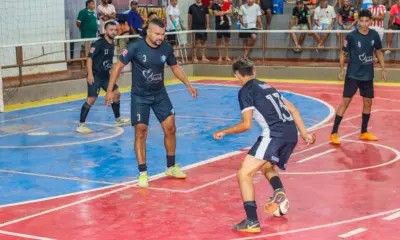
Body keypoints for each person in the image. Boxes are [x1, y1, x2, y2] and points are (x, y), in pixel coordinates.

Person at [213, 57, 316, 233]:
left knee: (244, 174)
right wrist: (305, 133)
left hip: (274, 135)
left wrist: (224, 131)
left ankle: (252, 221)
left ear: (236, 75)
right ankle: (279, 192)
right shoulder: (267, 86)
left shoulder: (245, 91)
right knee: (266, 165)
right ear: (254, 72)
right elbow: (293, 109)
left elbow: (246, 125)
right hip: (291, 133)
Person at [105, 18, 198, 188]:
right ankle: (142, 173)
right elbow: (117, 67)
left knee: (171, 128)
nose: (160, 37)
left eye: (163, 34)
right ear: (148, 32)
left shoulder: (166, 48)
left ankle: (171, 166)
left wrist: (188, 85)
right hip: (140, 96)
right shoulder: (135, 47)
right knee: (141, 132)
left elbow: (175, 67)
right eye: (157, 33)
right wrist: (110, 90)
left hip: (160, 95)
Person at [330, 9, 387, 145]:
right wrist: (342, 69)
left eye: (367, 21)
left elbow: (378, 53)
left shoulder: (374, 35)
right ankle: (333, 133)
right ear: (358, 21)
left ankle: (364, 132)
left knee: (368, 103)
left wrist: (384, 69)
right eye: (362, 21)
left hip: (368, 75)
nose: (364, 23)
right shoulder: (351, 36)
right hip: (353, 75)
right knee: (346, 103)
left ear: (370, 21)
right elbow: (343, 53)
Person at [76, 21, 130, 133]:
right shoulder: (98, 43)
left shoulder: (112, 43)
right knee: (91, 99)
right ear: (105, 31)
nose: (114, 32)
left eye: (115, 30)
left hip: (105, 76)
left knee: (116, 93)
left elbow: (106, 60)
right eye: (111, 29)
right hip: (95, 76)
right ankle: (81, 125)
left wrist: (113, 70)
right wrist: (90, 74)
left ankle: (118, 119)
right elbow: (90, 58)